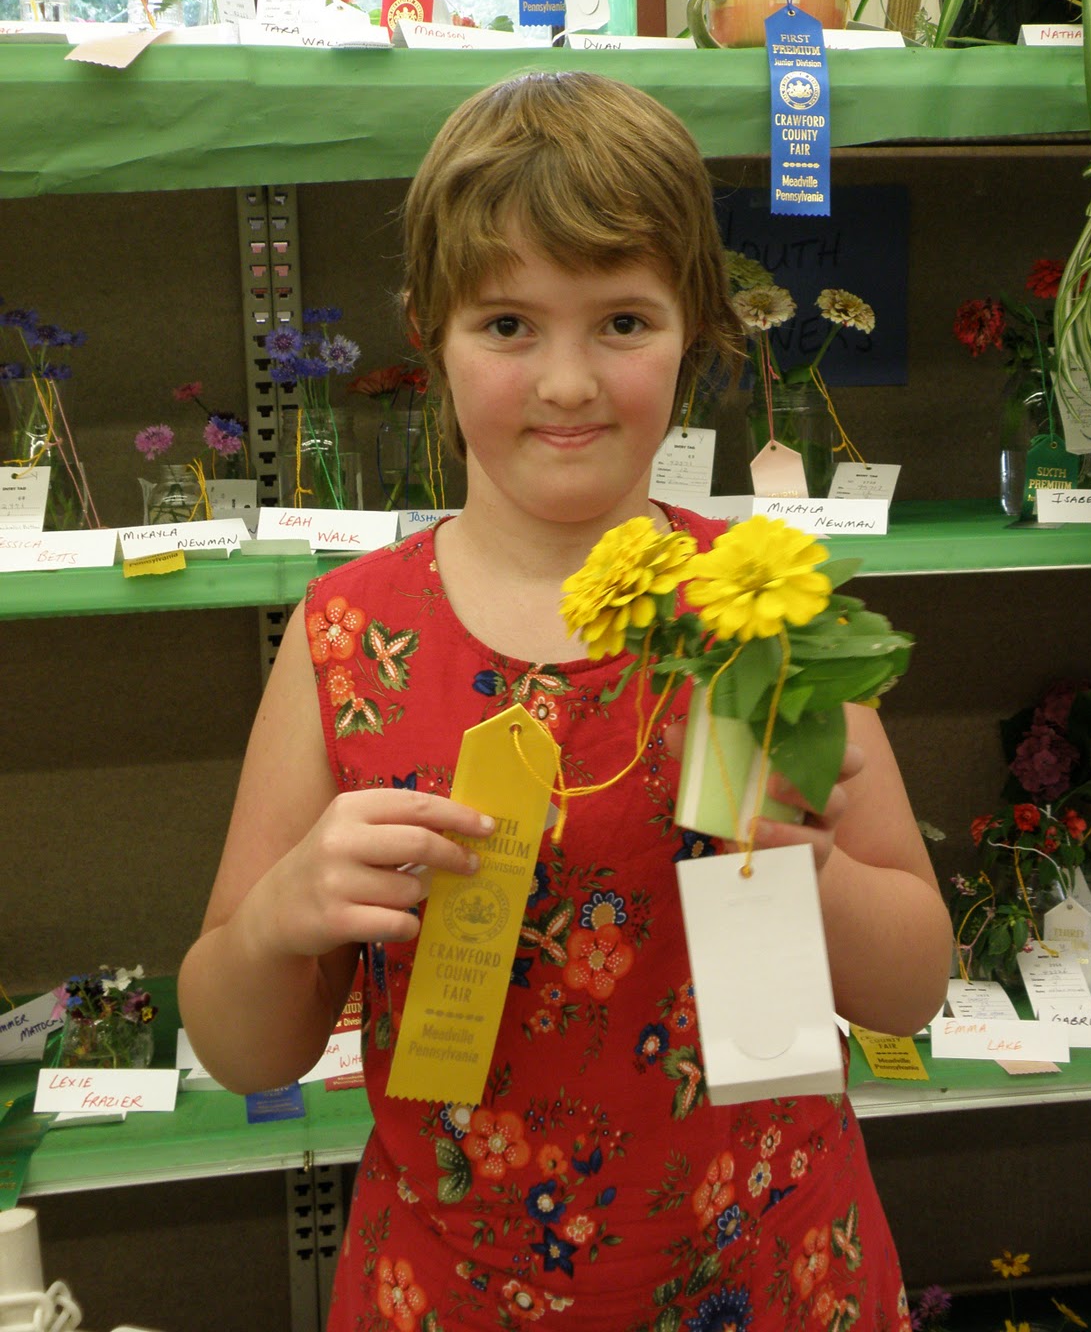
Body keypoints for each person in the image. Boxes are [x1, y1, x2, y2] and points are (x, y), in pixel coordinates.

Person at [179, 71, 952, 1331]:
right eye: (508, 325)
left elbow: (911, 985)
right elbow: (242, 1046)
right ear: (429, 330)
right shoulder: (349, 637)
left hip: (772, 1266)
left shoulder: (760, 608)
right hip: (453, 1287)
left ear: (696, 327)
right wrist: (280, 917)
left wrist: (808, 867)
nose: (568, 382)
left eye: (623, 322)